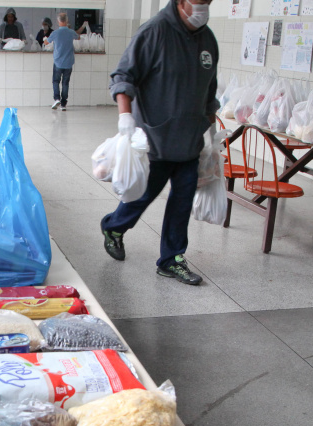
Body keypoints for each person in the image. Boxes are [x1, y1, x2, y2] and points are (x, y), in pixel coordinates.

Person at [99, 0, 218, 286]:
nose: (202, 8)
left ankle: (171, 259)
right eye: (197, 2)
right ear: (181, 2)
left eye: (208, 2)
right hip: (155, 140)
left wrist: (211, 132)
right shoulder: (154, 32)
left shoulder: (208, 39)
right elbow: (123, 76)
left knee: (182, 202)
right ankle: (113, 228)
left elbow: (209, 88)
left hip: (190, 141)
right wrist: (125, 116)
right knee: (142, 196)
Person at [45, 13, 78, 111]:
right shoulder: (71, 32)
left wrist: (45, 39)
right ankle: (63, 104)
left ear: (58, 22)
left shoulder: (55, 33)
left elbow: (46, 42)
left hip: (58, 62)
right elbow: (78, 37)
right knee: (65, 83)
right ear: (67, 21)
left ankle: (56, 99)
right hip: (68, 62)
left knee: (55, 81)